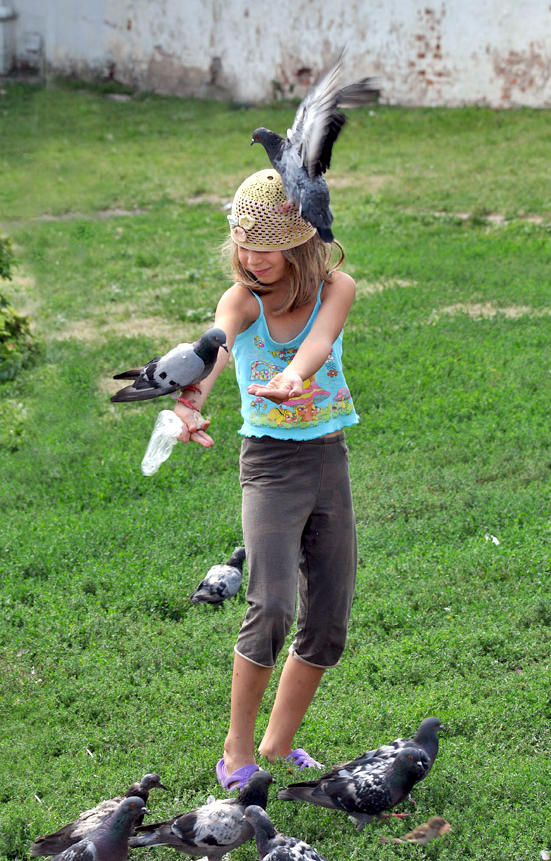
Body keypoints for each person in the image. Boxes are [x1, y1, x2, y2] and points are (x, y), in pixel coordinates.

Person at [174, 169, 358, 790]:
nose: (253, 258)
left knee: (329, 617)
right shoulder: (243, 298)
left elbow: (321, 340)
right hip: (271, 466)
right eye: (244, 242)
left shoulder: (338, 287)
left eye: (268, 243)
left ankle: (279, 747)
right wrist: (191, 398)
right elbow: (218, 345)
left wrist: (294, 377)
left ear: (301, 241)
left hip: (328, 460)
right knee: (272, 603)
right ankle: (237, 751)